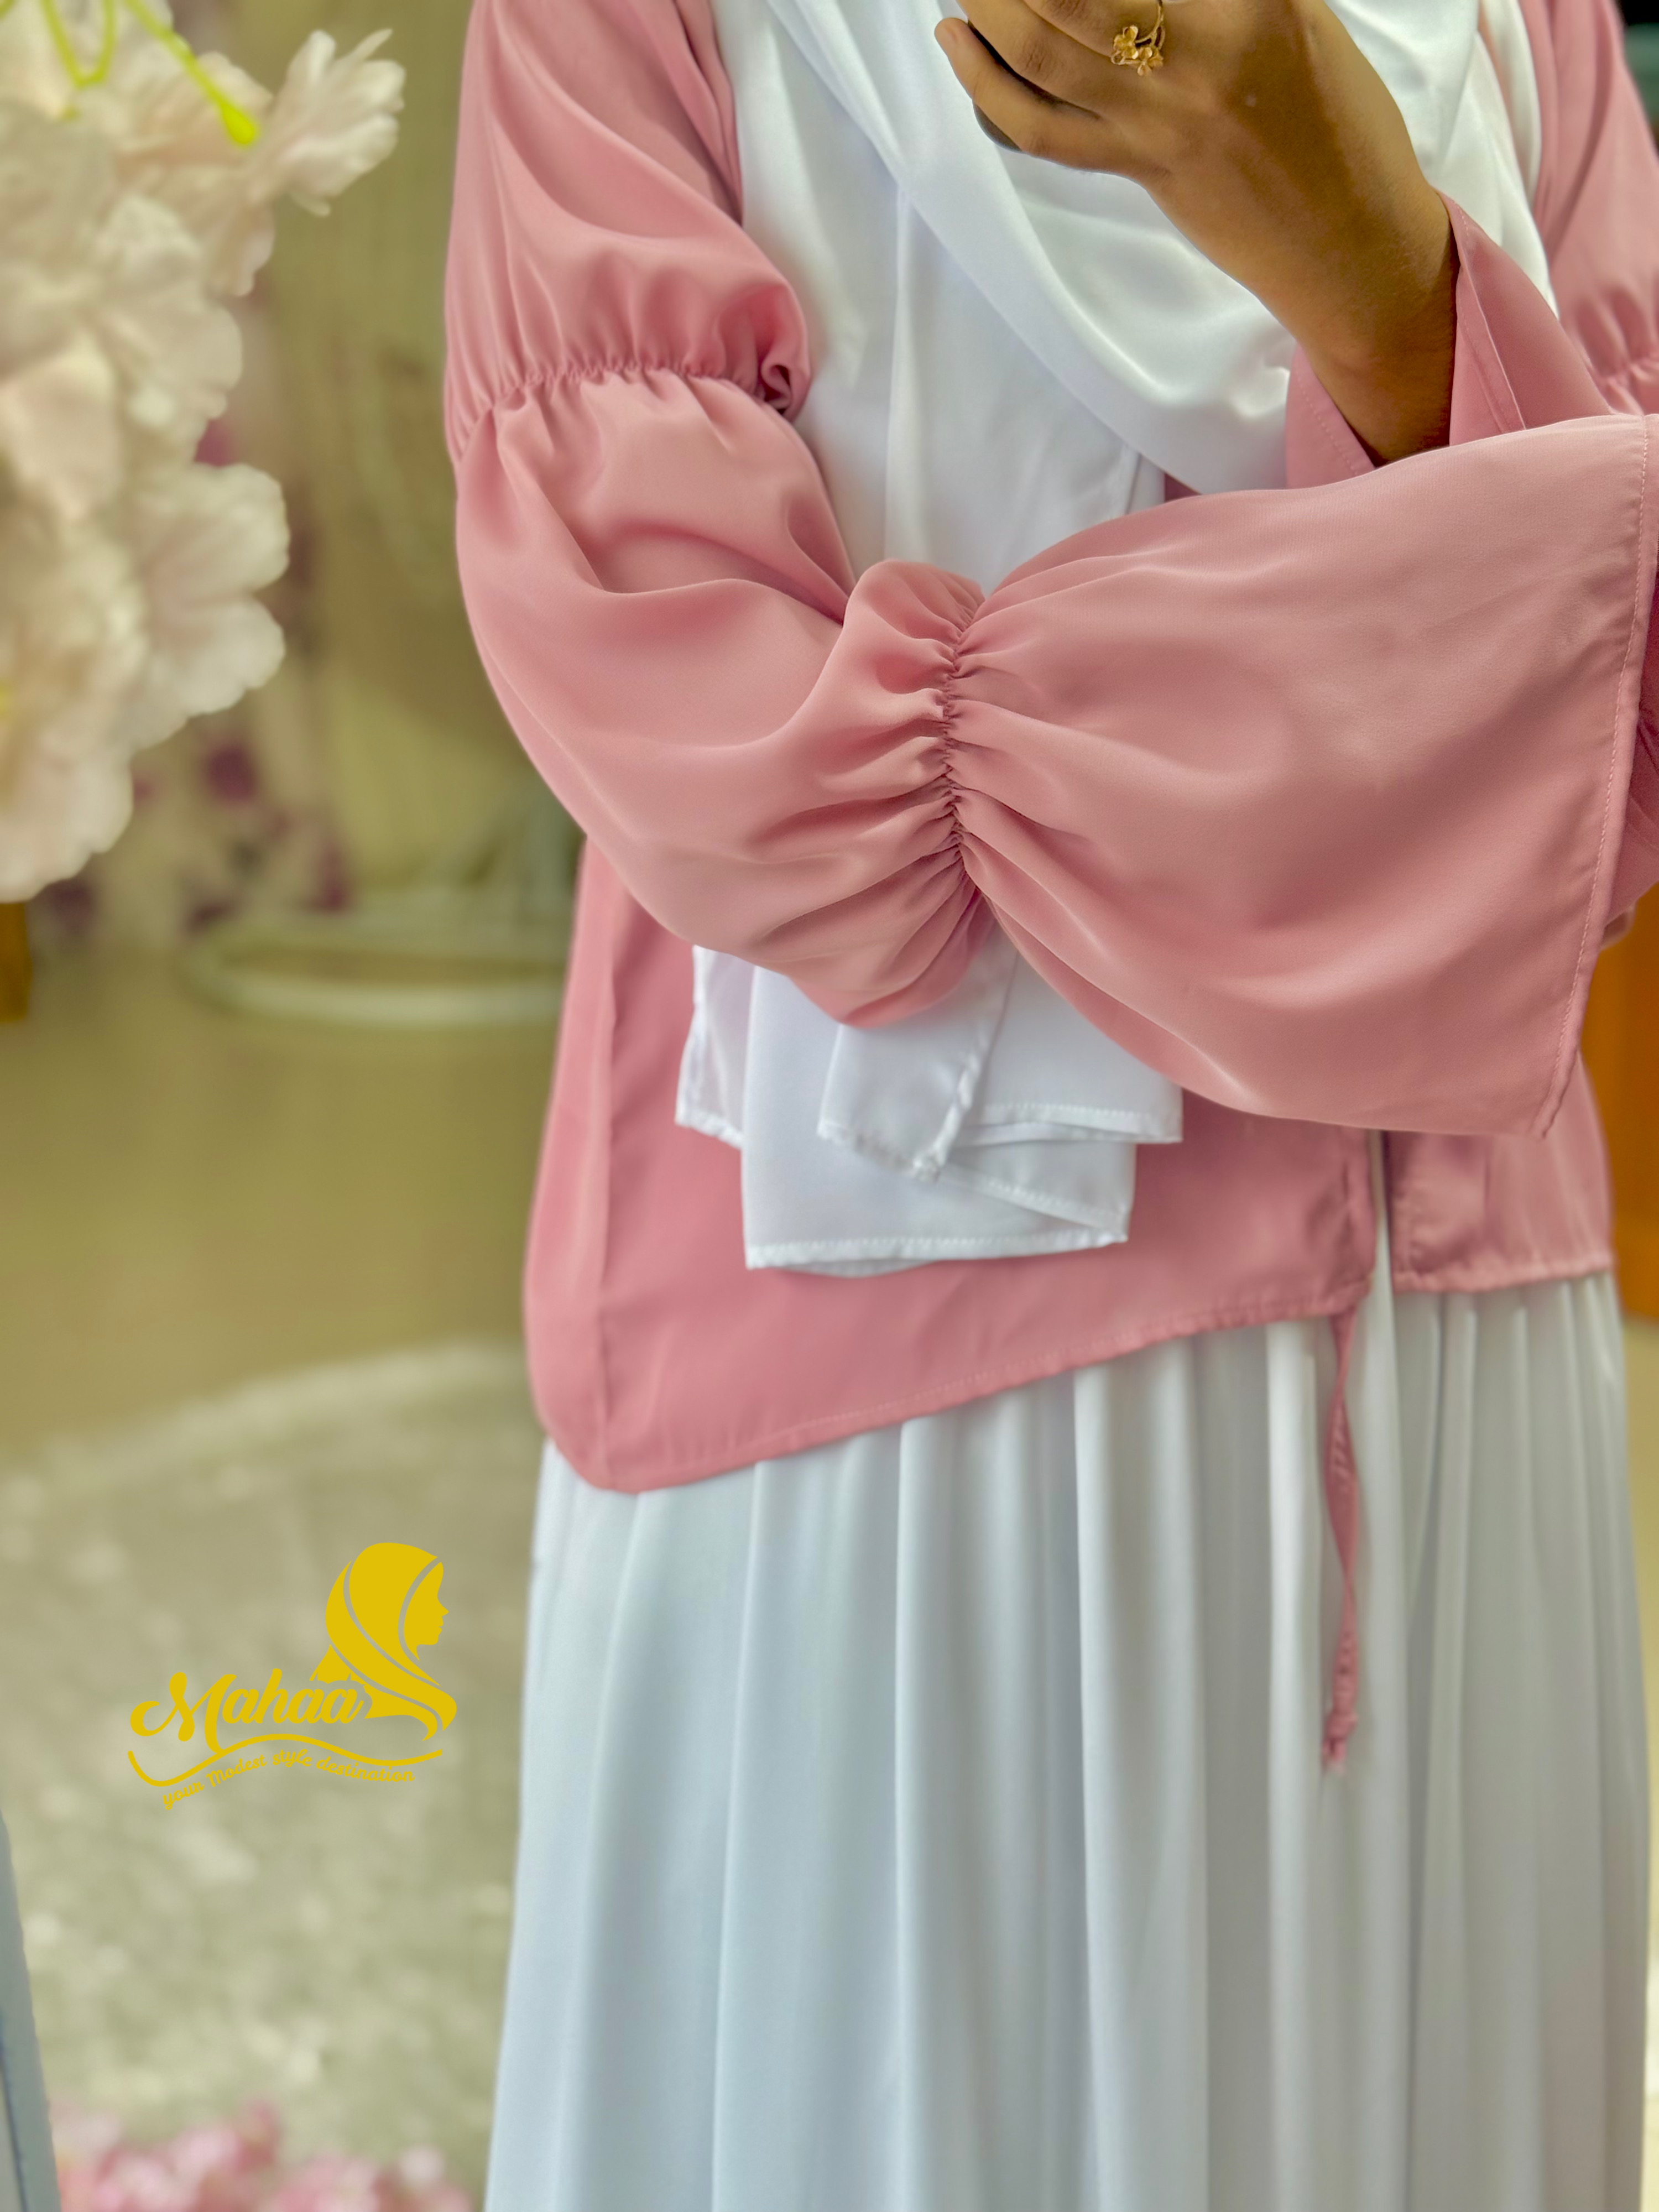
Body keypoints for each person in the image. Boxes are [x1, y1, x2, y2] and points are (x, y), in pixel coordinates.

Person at [442, 0, 1659, 2202]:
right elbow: (696, 699)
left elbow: (1627, 696)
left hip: (1454, 1344)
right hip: (889, 1373)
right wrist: (1412, 708)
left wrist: (1374, 267)